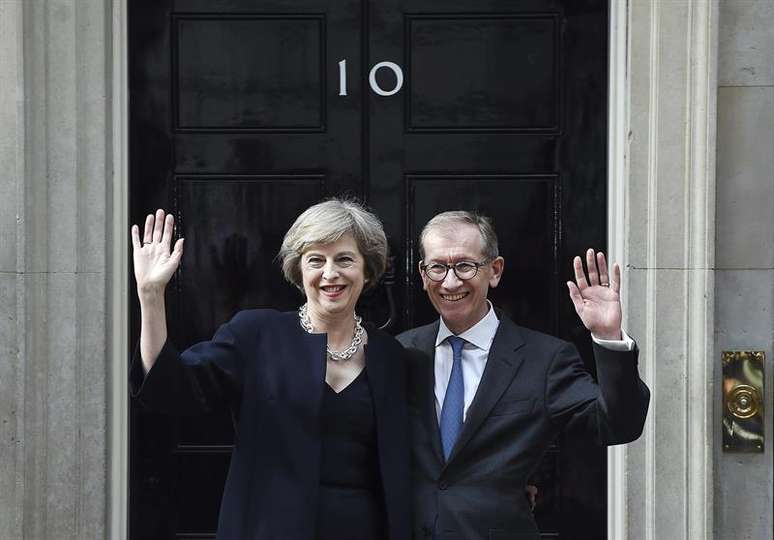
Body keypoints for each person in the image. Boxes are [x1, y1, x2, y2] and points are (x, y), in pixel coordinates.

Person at [129, 200, 410, 540]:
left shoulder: (391, 356)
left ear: (367, 270)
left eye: (345, 259)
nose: (330, 273)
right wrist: (151, 294)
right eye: (316, 260)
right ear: (299, 270)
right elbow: (171, 389)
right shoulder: (256, 335)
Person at [397, 211, 650, 540]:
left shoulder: (545, 359)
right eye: (438, 267)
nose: (450, 282)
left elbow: (617, 425)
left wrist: (608, 336)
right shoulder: (401, 353)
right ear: (422, 273)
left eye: (464, 265)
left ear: (495, 271)